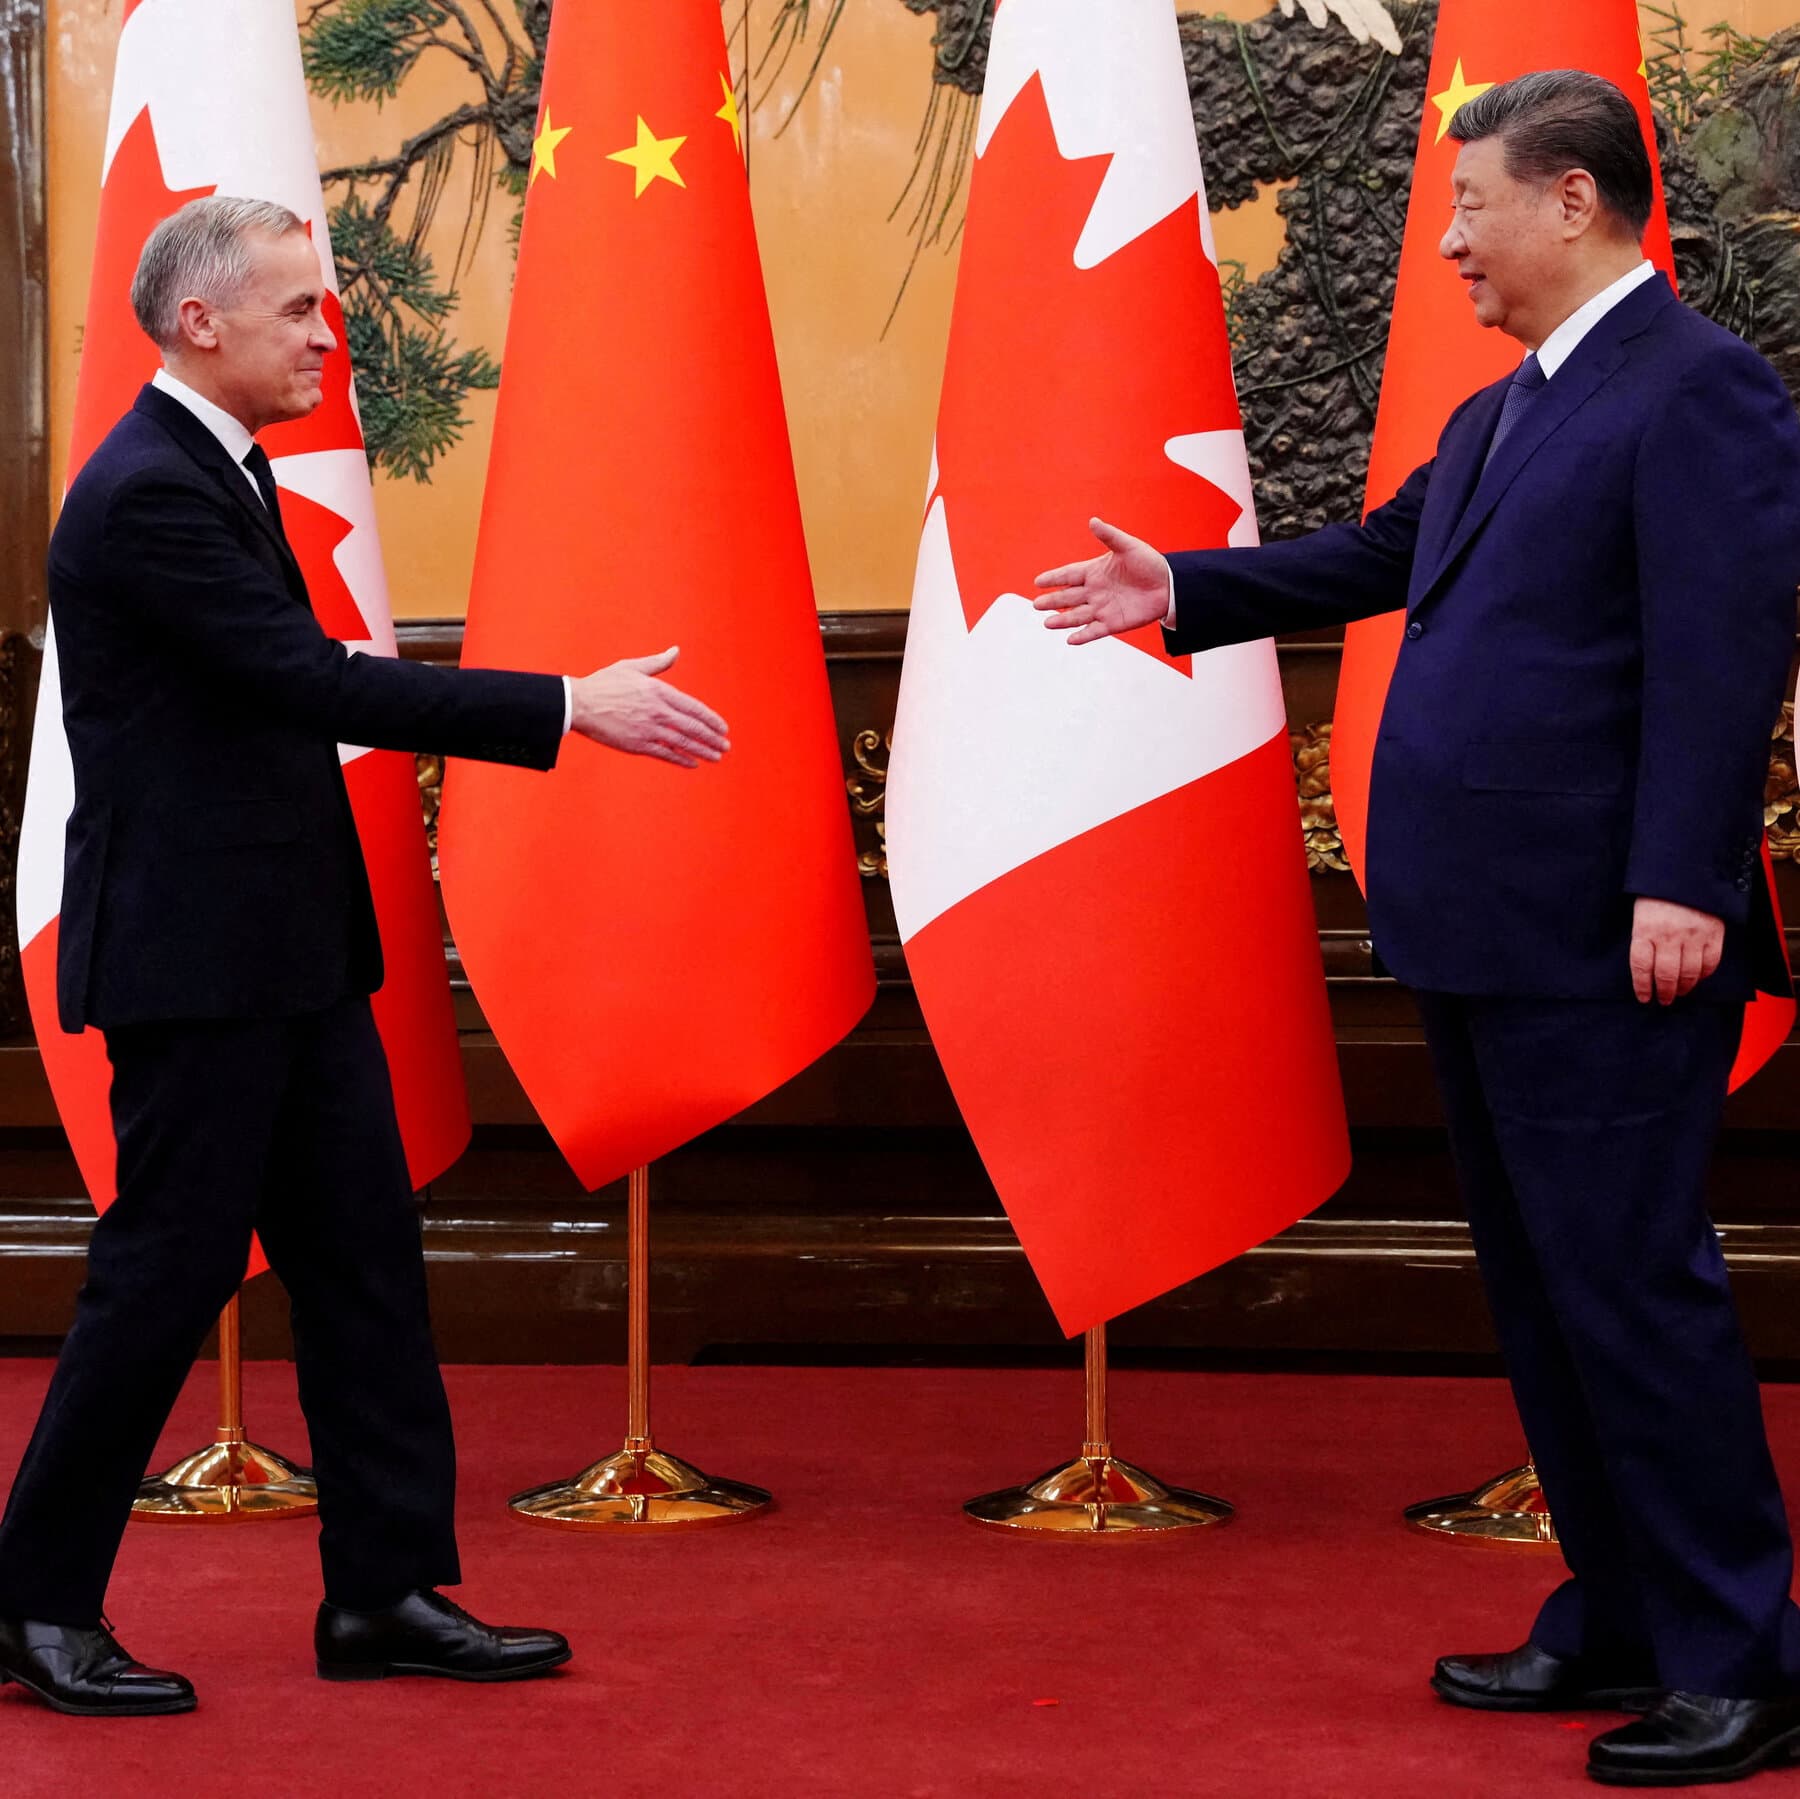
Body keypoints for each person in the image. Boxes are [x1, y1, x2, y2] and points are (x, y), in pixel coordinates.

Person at [1036, 71, 1800, 1788]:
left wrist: (1682, 874)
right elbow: (1380, 557)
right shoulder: (1502, 409)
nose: (1447, 241)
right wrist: (1185, 588)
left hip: (1614, 931)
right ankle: (1618, 1610)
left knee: (1632, 1288)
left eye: (1470, 207)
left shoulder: (1702, 392)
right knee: (1544, 1295)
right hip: (1478, 924)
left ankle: (1746, 1653)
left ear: (1578, 204)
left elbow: (1724, 647)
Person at [0, 195, 731, 1716]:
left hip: (289, 958)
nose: (328, 336)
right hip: (197, 971)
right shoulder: (146, 492)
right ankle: (34, 1604)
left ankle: (386, 1592)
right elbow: (298, 681)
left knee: (362, 1267)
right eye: (298, 312)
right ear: (200, 323)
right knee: (164, 1277)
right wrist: (564, 707)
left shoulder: (218, 474)